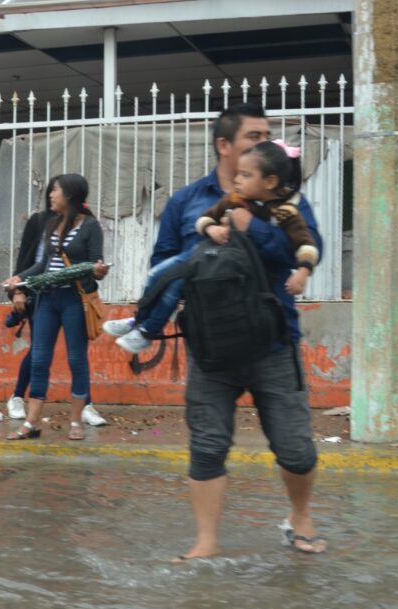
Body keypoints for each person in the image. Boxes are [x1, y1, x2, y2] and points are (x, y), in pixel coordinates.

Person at [152, 103, 326, 559]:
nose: (264, 141)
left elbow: (309, 251)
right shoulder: (189, 201)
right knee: (207, 446)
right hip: (211, 348)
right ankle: (206, 540)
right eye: (254, 135)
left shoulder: (284, 197)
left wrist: (254, 230)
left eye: (268, 133)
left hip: (272, 341)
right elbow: (162, 261)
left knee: (296, 449)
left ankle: (300, 516)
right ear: (225, 145)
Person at [104, 139, 319, 352]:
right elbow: (204, 219)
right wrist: (211, 229)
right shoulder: (233, 199)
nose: (237, 180)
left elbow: (306, 244)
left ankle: (147, 331)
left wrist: (302, 271)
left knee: (173, 287)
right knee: (157, 275)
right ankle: (138, 320)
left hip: (258, 316)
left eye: (246, 175)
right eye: (238, 173)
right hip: (198, 259)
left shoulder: (287, 210)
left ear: (270, 182)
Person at [1, 173, 110, 441]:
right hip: (47, 300)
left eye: (56, 191)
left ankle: (75, 421)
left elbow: (96, 266)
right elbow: (44, 265)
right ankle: (32, 422)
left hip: (74, 300)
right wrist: (20, 279)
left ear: (70, 195)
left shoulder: (90, 227)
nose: (51, 195)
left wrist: (98, 271)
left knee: (76, 359)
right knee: (39, 359)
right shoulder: (50, 225)